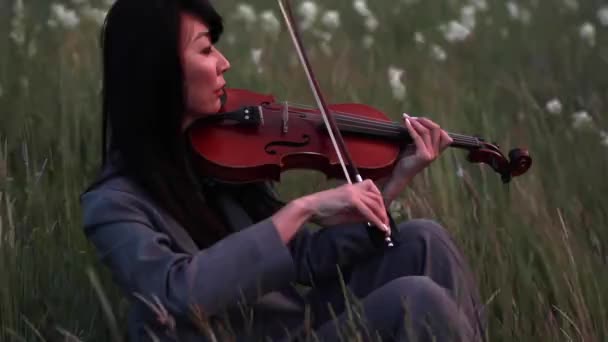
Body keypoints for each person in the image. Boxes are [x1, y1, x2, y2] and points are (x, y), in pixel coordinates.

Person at [80, 0, 486, 341]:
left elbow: (304, 257)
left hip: (292, 325)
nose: (224, 63)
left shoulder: (214, 157)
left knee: (424, 240)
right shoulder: (114, 205)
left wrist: (395, 179)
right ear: (158, 70)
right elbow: (176, 295)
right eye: (205, 51)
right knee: (414, 300)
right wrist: (301, 209)